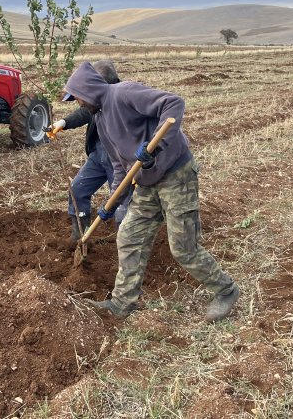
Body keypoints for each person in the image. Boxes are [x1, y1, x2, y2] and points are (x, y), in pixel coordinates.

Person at [63, 61, 239, 322]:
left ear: (87, 89)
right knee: (129, 237)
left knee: (183, 247)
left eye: (76, 97)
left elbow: (173, 103)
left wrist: (155, 145)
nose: (77, 103)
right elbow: (119, 166)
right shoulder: (99, 119)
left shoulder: (123, 93)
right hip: (146, 184)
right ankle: (123, 303)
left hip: (175, 176)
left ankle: (226, 291)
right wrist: (113, 201)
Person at [47, 59, 131, 244]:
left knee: (121, 204)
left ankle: (124, 246)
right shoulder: (96, 102)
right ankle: (80, 235)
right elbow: (85, 112)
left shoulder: (122, 100)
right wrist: (63, 123)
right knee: (77, 190)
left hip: (119, 160)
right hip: (98, 156)